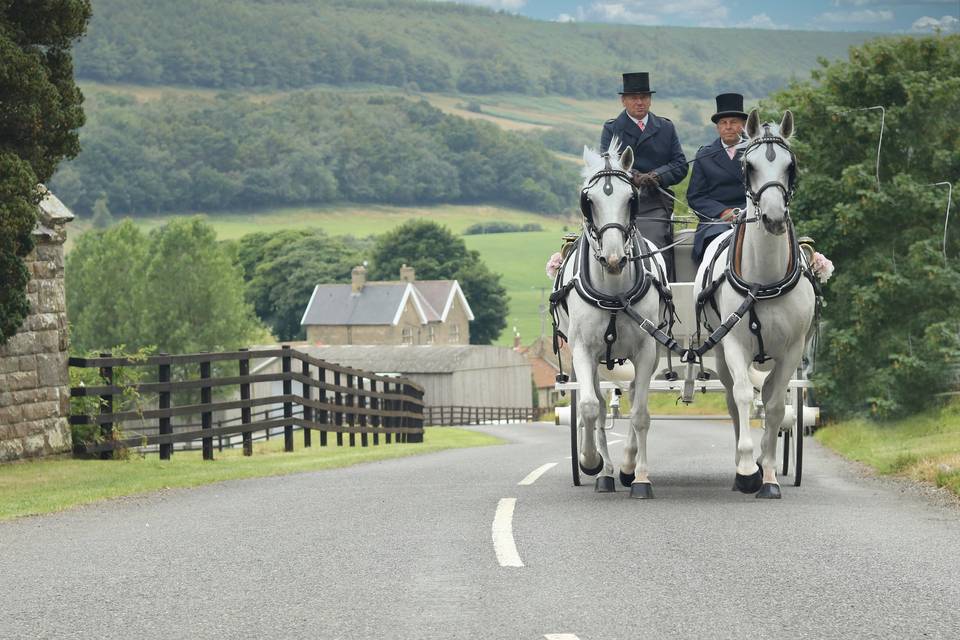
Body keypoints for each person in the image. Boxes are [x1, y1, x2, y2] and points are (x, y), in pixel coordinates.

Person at [600, 72, 688, 281]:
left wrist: (657, 175)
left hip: (655, 201)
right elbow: (607, 164)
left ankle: (662, 289)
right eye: (633, 98)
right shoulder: (612, 128)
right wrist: (633, 176)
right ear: (624, 100)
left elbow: (680, 165)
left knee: (655, 240)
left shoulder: (666, 127)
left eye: (644, 97)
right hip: (620, 201)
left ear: (650, 99)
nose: (639, 102)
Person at [687, 92, 749, 265]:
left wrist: (744, 212)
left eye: (734, 122)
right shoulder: (704, 155)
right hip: (716, 220)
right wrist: (722, 212)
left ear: (743, 125)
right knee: (715, 239)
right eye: (723, 123)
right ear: (717, 127)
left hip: (751, 215)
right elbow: (695, 196)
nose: (728, 127)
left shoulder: (754, 152)